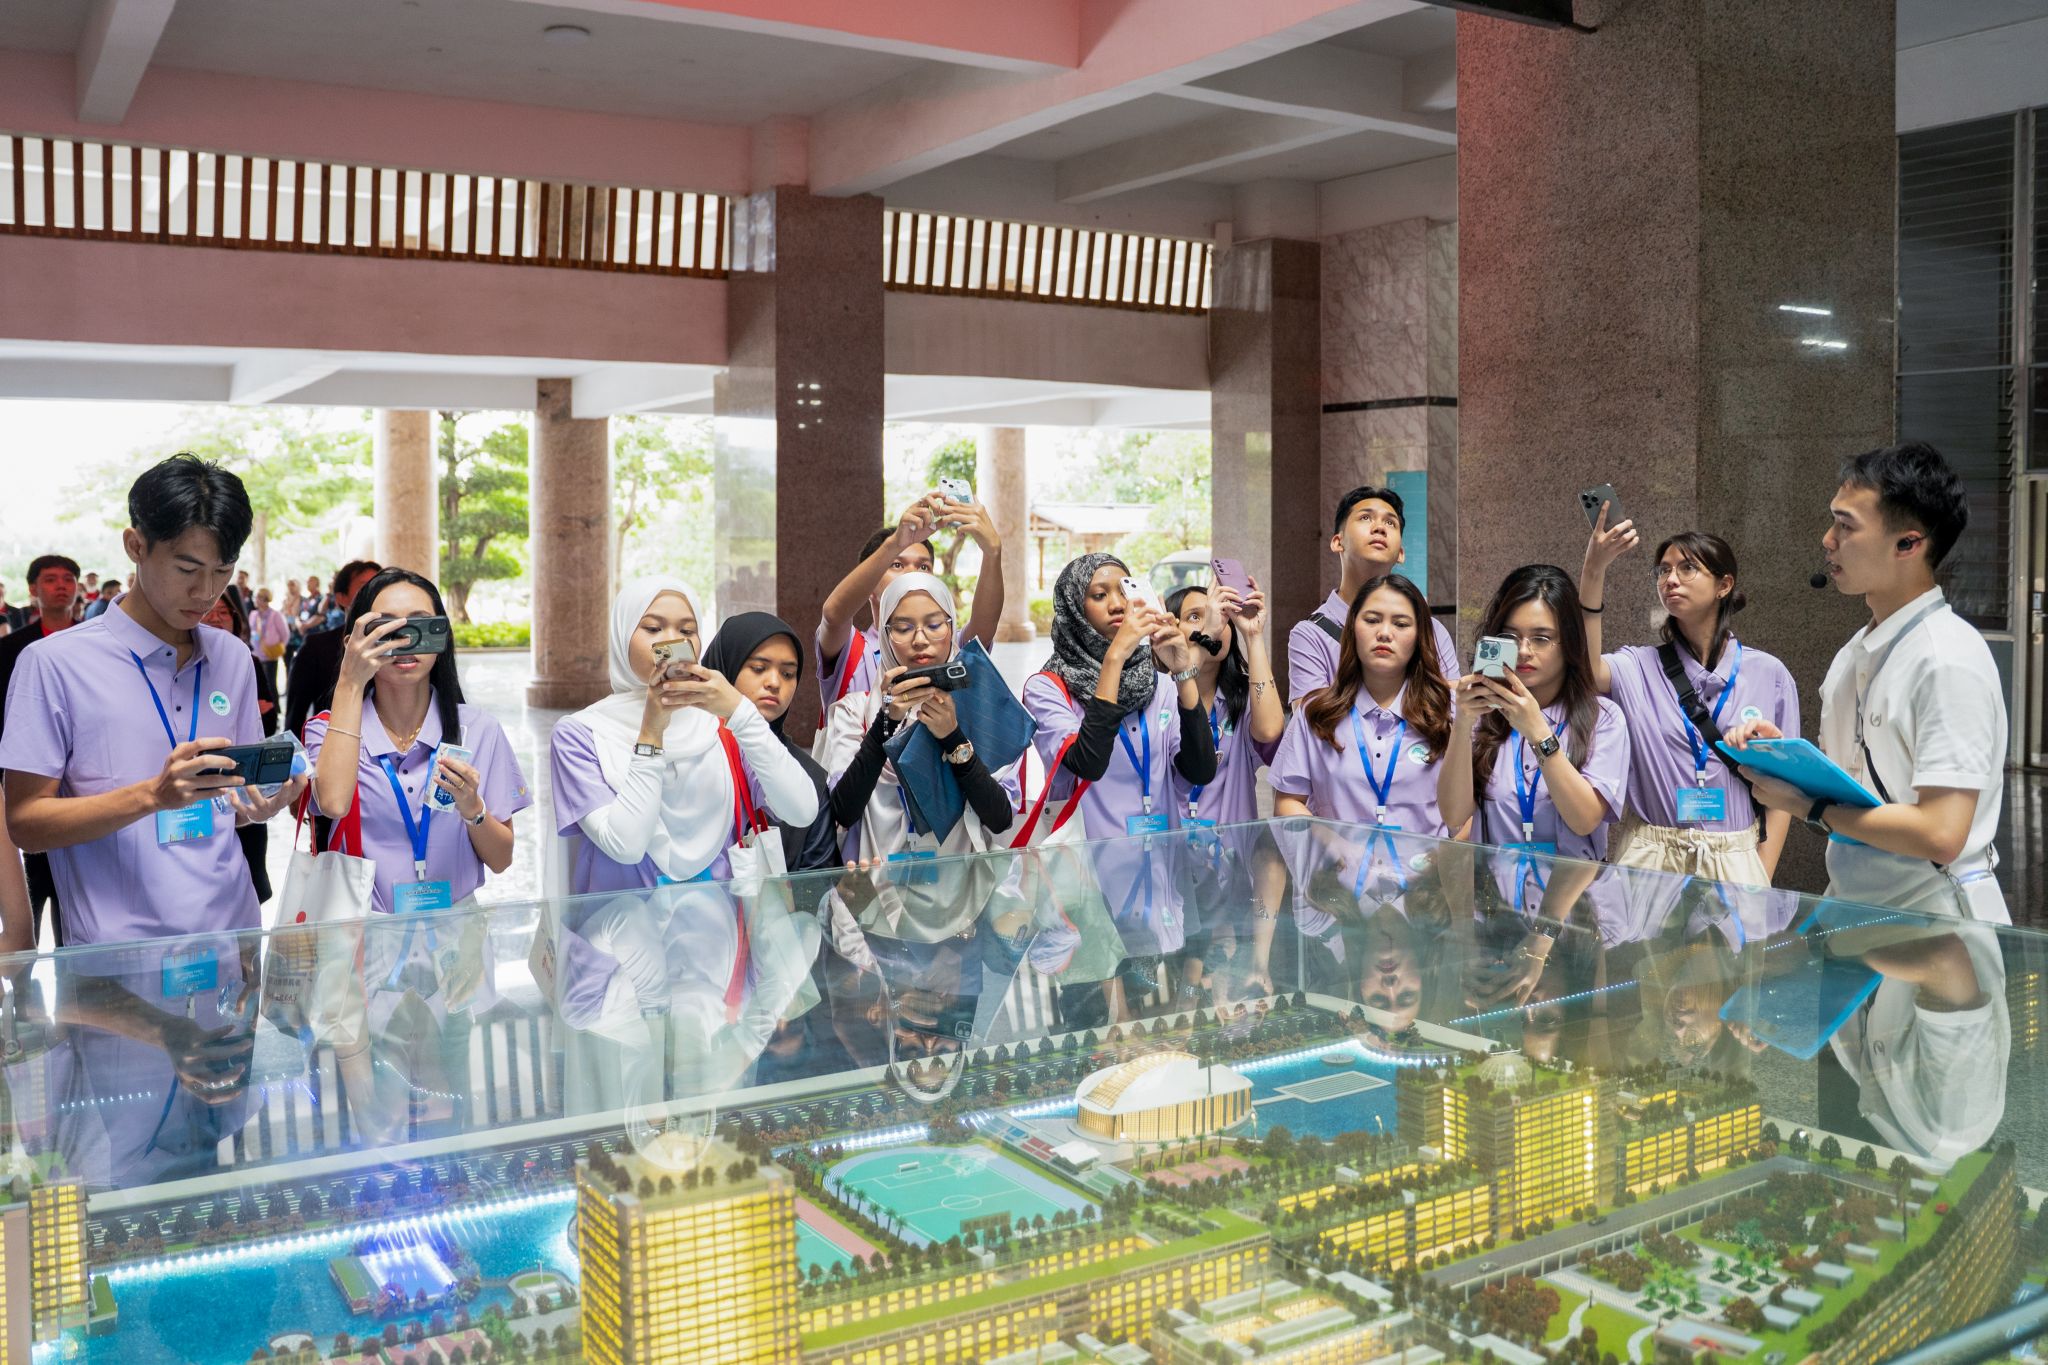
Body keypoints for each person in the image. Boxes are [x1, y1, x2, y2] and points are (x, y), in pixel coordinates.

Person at [0, 455, 306, 945]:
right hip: (117, 958)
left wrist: (260, 805)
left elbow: (232, 801)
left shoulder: (232, 656)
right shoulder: (53, 664)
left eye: (223, 571)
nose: (206, 592)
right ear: (135, 546)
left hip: (231, 940)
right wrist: (152, 797)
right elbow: (25, 824)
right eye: (187, 568)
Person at [1727, 442, 2008, 922]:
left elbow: (1942, 833)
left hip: (1938, 922)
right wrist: (1790, 762)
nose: (1828, 540)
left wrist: (1811, 807)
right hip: (1860, 910)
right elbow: (1859, 794)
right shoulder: (1854, 653)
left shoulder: (1947, 658)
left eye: (1846, 525)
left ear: (1908, 544)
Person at [549, 579, 819, 895]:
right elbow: (626, 845)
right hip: (621, 920)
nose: (671, 642)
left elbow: (802, 811)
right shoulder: (580, 734)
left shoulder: (722, 727)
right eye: (653, 628)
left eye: (687, 631)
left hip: (719, 921)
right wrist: (652, 731)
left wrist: (742, 713)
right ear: (622, 635)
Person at [1579, 518, 1800, 885]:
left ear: (1724, 585)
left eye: (1687, 568)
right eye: (1663, 570)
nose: (1670, 579)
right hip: (1651, 858)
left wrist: (1761, 874)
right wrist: (1593, 570)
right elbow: (1586, 672)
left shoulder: (1769, 674)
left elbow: (1785, 785)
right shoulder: (1638, 666)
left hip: (1735, 859)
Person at [305, 568, 530, 916]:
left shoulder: (479, 729)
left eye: (421, 624)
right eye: (386, 628)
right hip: (366, 930)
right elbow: (333, 803)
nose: (405, 640)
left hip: (456, 933)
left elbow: (501, 860)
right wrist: (350, 680)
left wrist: (473, 808)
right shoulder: (330, 731)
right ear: (355, 642)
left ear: (442, 636)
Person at [1437, 563, 1630, 877]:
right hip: (1496, 899)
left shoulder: (1603, 718)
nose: (1524, 651)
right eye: (1510, 637)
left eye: (1541, 638)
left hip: (1575, 901)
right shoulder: (1483, 715)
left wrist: (1538, 732)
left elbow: (1584, 820)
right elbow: (1454, 815)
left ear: (1569, 643)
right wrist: (1462, 724)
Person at [823, 573, 1017, 866]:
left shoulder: (981, 708)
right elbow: (843, 812)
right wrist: (885, 722)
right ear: (886, 636)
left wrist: (953, 737)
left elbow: (1000, 818)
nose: (920, 640)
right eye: (903, 628)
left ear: (952, 627)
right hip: (876, 882)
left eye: (934, 625)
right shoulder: (854, 711)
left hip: (961, 883)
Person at [1271, 574, 1454, 837]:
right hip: (1337, 864)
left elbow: (1470, 811)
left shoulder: (1446, 712)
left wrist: (1440, 859)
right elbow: (1288, 801)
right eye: (1371, 620)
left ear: (1419, 637)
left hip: (1423, 863)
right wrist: (1336, 847)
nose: (1384, 633)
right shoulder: (1316, 711)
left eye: (1401, 624)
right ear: (1352, 628)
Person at [814, 491, 1004, 726]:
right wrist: (895, 543)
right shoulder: (853, 651)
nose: (912, 573)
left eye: (923, 567)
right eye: (897, 564)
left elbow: (984, 628)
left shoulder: (945, 645)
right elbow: (834, 616)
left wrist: (992, 552)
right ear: (869, 585)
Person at [1288, 485, 1458, 705]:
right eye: (1366, 518)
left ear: (1401, 554)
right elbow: (1308, 718)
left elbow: (1453, 710)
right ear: (1338, 542)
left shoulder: (1431, 631)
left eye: (1390, 523)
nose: (1380, 528)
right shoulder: (1311, 634)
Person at [700, 612, 841, 873]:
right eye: (758, 668)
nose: (774, 683)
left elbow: (818, 880)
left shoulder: (809, 778)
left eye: (788, 673)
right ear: (726, 667)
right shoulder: (690, 754)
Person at [0, 555, 81, 949]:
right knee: (27, 896)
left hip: (80, 787)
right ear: (33, 589)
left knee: (76, 905)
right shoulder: (12, 649)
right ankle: (21, 976)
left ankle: (77, 978)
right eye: (50, 579)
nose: (61, 586)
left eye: (68, 579)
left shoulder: (95, 645)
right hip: (26, 781)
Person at [1165, 577, 1286, 827]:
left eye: (1221, 616)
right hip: (1165, 845)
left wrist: (1253, 635)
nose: (1214, 623)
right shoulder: (1158, 695)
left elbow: (1269, 731)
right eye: (1195, 616)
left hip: (1232, 848)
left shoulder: (1242, 697)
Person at [197, 588, 281, 905]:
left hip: (241, 787)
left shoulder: (246, 660)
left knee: (250, 884)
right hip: (197, 799)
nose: (217, 618)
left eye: (224, 612)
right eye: (210, 611)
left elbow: (268, 715)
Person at [285, 559, 381, 741]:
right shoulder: (316, 647)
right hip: (330, 744)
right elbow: (295, 714)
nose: (376, 594)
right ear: (341, 598)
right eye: (365, 587)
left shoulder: (399, 646)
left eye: (381, 586)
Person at [249, 587, 290, 694]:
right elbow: (251, 632)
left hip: (270, 655)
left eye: (257, 597)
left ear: (265, 599)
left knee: (271, 684)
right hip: (256, 654)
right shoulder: (253, 614)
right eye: (255, 597)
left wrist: (279, 649)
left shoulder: (275, 615)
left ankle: (274, 704)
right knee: (257, 685)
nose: (255, 600)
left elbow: (285, 634)